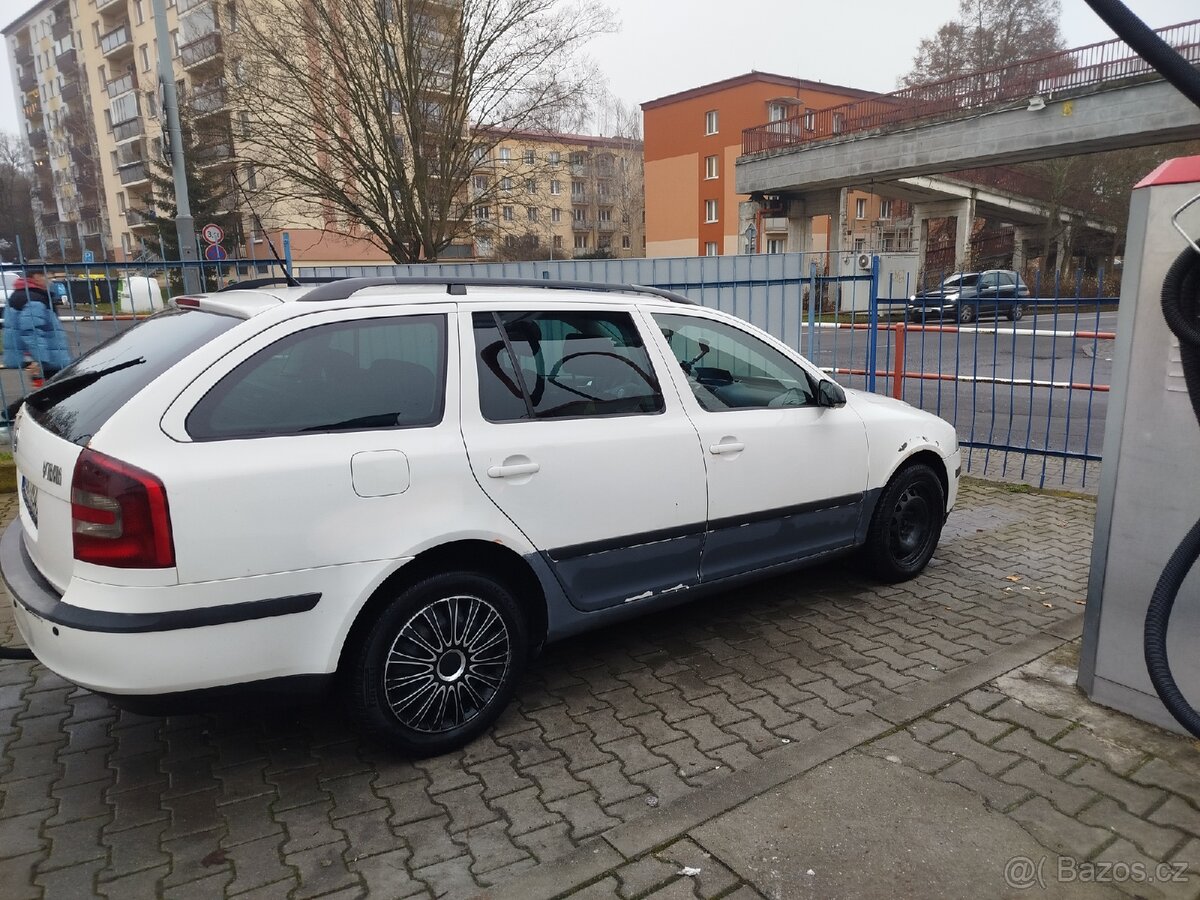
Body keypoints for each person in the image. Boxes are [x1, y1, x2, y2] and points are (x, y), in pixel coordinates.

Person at [3, 270, 72, 384]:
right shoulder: (34, 299)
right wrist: (39, 359)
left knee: (46, 393)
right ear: (37, 277)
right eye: (48, 278)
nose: (50, 283)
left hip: (41, 359)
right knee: (56, 393)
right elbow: (31, 331)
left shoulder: (20, 295)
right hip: (48, 360)